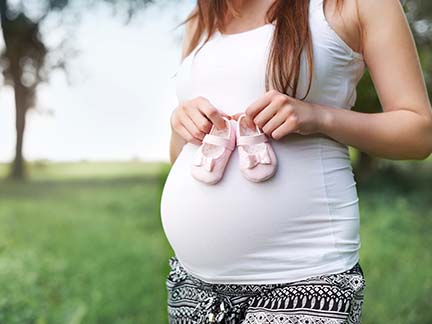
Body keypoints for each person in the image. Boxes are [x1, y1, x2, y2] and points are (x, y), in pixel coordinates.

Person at [160, 0, 432, 323]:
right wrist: (181, 122)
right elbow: (180, 156)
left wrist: (319, 117)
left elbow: (419, 132)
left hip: (302, 282)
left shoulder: (353, 4)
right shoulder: (203, 14)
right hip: (193, 289)